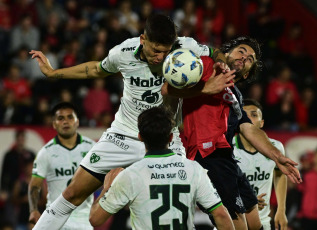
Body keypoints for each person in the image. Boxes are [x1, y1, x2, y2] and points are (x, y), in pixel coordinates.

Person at [29, 14, 232, 229]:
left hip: (165, 139)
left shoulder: (184, 47)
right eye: (156, 50)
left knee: (187, 202)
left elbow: (214, 51)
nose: (161, 57)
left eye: (165, 51)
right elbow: (96, 69)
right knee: (71, 193)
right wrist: (54, 73)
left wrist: (220, 62)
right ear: (143, 39)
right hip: (123, 134)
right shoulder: (123, 53)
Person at [161, 36, 301, 230]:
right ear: (226, 53)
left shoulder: (236, 96)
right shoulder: (207, 66)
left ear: (246, 75)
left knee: (254, 221)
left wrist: (277, 156)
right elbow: (168, 88)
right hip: (205, 156)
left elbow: (249, 128)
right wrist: (205, 88)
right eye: (241, 51)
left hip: (227, 160)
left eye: (250, 59)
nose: (244, 57)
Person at [89, 106, 234, 230]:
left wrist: (107, 187)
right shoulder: (194, 169)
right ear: (171, 137)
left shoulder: (130, 174)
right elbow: (220, 215)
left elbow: (95, 219)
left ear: (140, 137)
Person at [28, 102, 96, 229]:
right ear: (54, 124)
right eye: (60, 118)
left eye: (70, 117)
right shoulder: (46, 152)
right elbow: (35, 184)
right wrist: (33, 210)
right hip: (54, 220)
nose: (66, 121)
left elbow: (109, 176)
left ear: (77, 122)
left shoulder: (92, 148)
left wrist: (100, 202)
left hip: (83, 220)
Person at [232, 99, 288, 230]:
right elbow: (220, 186)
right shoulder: (228, 148)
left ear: (261, 123)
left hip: (262, 221)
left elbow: (280, 174)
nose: (248, 118)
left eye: (254, 115)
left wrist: (281, 210)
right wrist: (248, 200)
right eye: (244, 114)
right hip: (232, 220)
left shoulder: (275, 147)